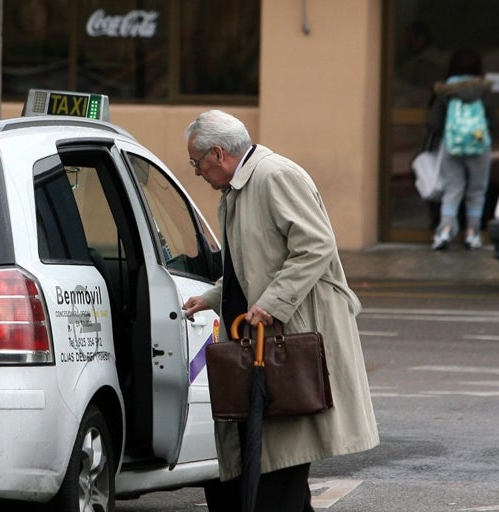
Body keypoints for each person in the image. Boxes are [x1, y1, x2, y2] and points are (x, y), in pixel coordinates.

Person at [180, 110, 379, 511]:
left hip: (287, 340)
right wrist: (215, 295)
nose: (197, 172)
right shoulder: (240, 187)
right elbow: (255, 260)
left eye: (196, 163)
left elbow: (315, 245)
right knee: (271, 461)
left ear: (218, 153)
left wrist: (271, 304)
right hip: (261, 342)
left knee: (279, 459)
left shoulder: (275, 176)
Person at [426, 48, 495, 250]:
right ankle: (472, 234)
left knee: (452, 189)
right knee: (477, 191)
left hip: (451, 145)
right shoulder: (483, 90)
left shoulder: (445, 91)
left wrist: (445, 135)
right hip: (479, 146)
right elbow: (492, 119)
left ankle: (444, 232)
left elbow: (434, 122)